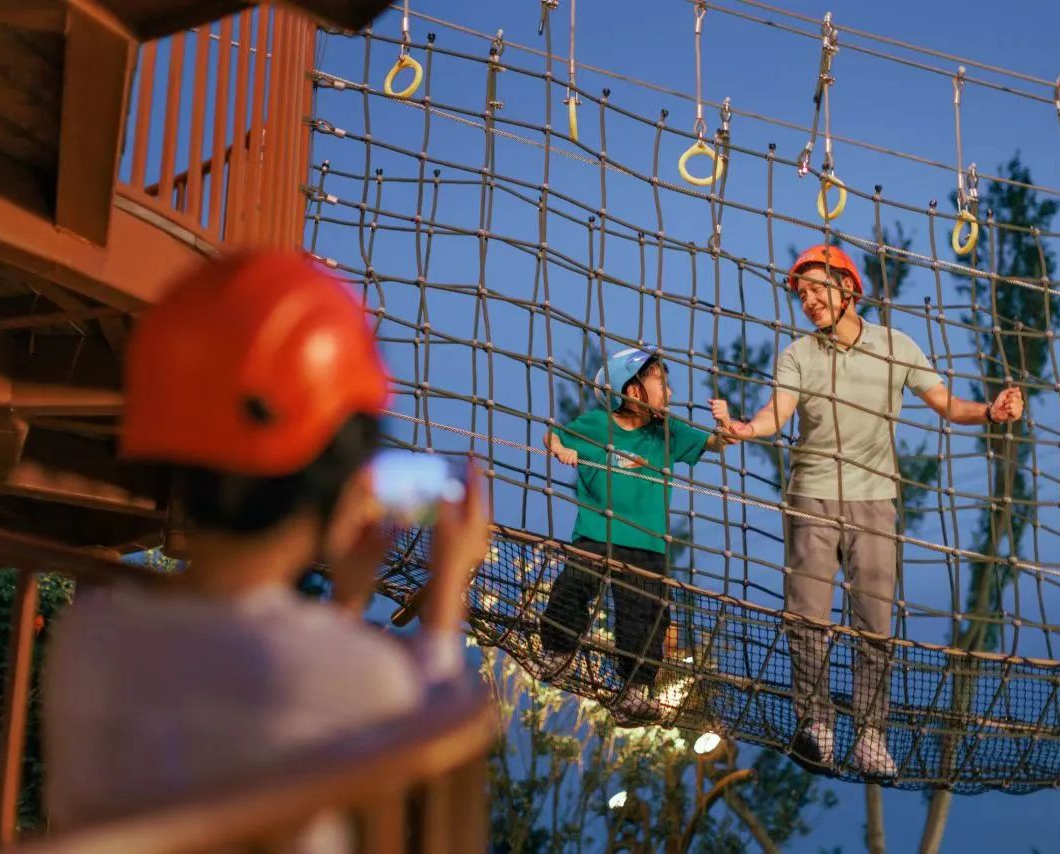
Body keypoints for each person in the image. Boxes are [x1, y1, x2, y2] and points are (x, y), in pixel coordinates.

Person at [43, 251, 489, 829]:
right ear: (335, 476)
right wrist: (450, 584)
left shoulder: (88, 637)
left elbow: (281, 683)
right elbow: (437, 750)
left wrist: (347, 601)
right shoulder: (355, 675)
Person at [710, 244, 1023, 775]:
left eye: (817, 290)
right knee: (807, 617)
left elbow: (948, 405)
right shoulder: (797, 355)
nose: (808, 301)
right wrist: (745, 428)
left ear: (849, 290)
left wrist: (991, 412)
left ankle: (871, 736)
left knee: (874, 622)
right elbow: (775, 414)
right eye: (801, 294)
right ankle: (816, 725)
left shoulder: (896, 346)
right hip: (811, 496)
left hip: (875, 500)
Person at [538, 347, 732, 721]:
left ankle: (635, 691)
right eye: (662, 383)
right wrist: (561, 448)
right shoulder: (596, 424)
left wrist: (725, 426)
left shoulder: (667, 431)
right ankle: (557, 652)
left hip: (646, 543)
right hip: (596, 533)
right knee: (572, 587)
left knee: (644, 616)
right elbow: (553, 435)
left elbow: (715, 443)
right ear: (632, 390)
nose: (670, 393)